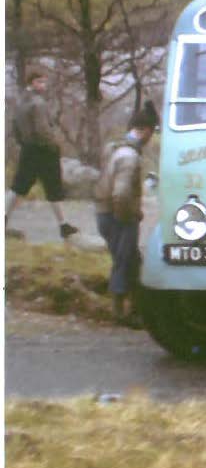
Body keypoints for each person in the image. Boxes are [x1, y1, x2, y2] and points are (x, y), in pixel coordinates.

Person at [93, 100, 160, 327]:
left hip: (104, 212)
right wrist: (128, 216)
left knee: (128, 260)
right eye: (151, 132)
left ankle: (132, 308)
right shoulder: (130, 157)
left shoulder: (114, 148)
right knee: (125, 261)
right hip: (118, 216)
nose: (151, 138)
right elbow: (121, 193)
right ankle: (122, 313)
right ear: (144, 130)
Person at [6, 70, 79, 239]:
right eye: (40, 82)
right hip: (44, 150)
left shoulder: (20, 101)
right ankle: (63, 225)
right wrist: (54, 144)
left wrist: (23, 143)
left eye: (44, 82)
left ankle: (4, 217)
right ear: (32, 82)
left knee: (19, 187)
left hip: (28, 149)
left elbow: (15, 125)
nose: (43, 86)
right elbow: (43, 129)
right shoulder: (38, 103)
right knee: (53, 188)